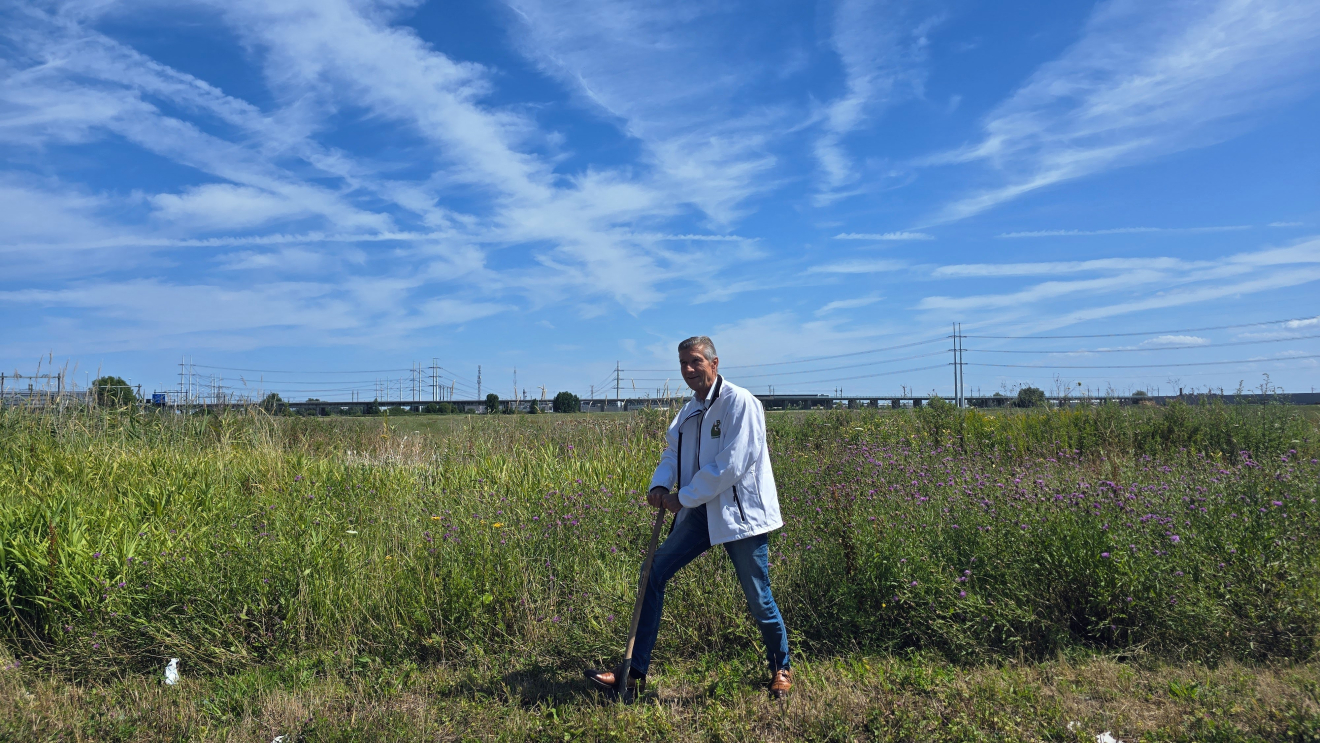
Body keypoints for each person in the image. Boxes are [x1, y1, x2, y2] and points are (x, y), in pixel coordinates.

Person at [586, 336, 792, 698]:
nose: (688, 370)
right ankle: (633, 674)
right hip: (700, 513)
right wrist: (660, 485)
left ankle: (781, 666)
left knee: (758, 596)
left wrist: (683, 497)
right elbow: (673, 452)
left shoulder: (739, 403)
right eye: (683, 363)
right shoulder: (689, 411)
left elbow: (731, 465)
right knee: (653, 572)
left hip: (739, 516)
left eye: (695, 361)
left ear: (714, 363)